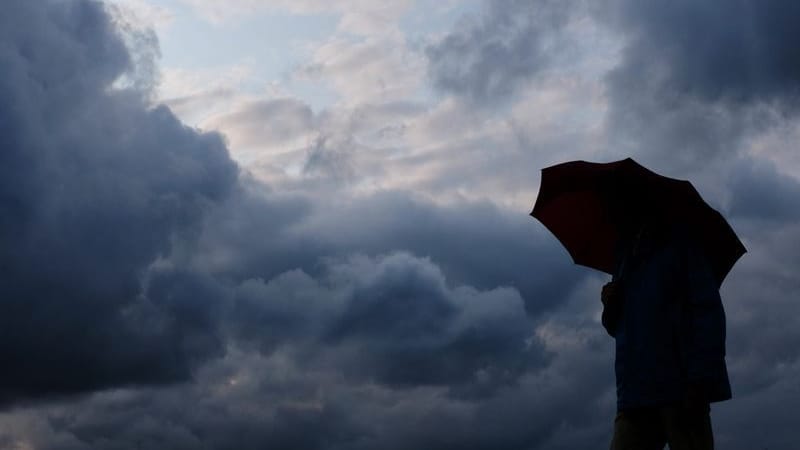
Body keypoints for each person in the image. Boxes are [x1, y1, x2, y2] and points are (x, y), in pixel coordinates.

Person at [601, 208, 731, 450]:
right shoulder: (624, 256)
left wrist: (700, 379)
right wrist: (610, 306)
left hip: (682, 388)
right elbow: (619, 327)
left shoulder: (682, 245)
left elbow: (708, 311)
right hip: (635, 392)